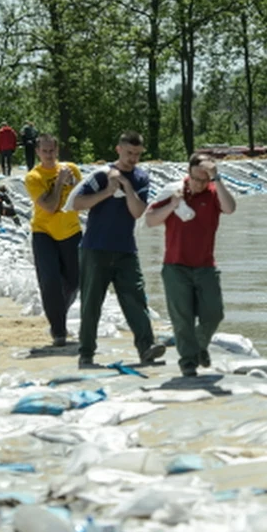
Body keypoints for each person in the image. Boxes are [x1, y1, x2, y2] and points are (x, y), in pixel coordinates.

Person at [71, 130, 166, 367]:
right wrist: (107, 192)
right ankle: (86, 353)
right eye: (128, 153)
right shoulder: (101, 175)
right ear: (118, 149)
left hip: (126, 250)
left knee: (136, 299)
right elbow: (76, 204)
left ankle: (146, 349)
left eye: (137, 154)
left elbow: (137, 212)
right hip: (95, 248)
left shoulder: (141, 178)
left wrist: (125, 185)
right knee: (92, 303)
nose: (132, 158)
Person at [145, 153, 237, 376]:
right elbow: (149, 220)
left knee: (214, 314)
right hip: (176, 266)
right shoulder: (174, 191)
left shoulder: (214, 193)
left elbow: (230, 208)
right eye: (196, 179)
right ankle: (188, 361)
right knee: (182, 318)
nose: (200, 184)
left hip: (205, 265)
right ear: (188, 173)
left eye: (205, 180)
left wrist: (217, 178)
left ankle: (198, 347)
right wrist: (173, 205)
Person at [24, 134, 82, 346]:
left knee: (74, 282)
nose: (49, 155)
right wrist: (58, 183)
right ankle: (59, 331)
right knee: (50, 281)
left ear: (57, 151)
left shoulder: (71, 169)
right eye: (44, 151)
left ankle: (58, 312)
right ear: (38, 152)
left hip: (71, 231)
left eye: (52, 151)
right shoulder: (34, 177)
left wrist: (72, 181)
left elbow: (81, 196)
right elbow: (49, 206)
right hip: (44, 232)